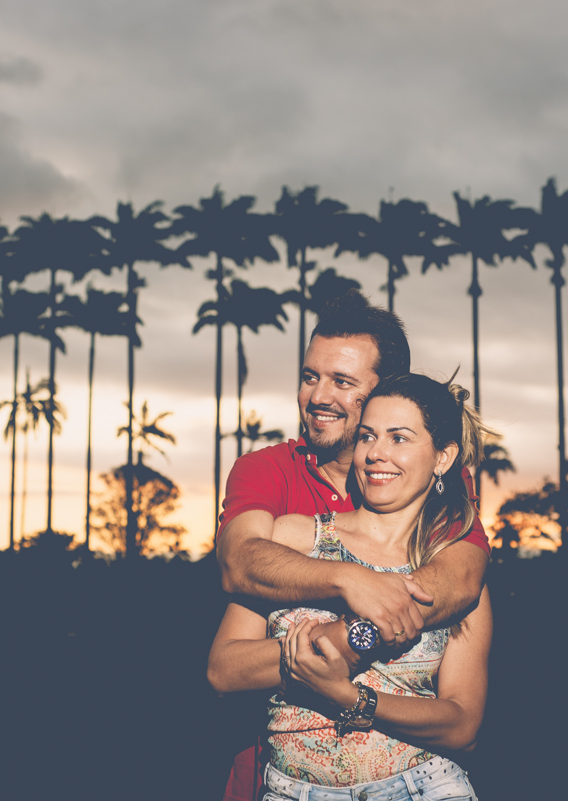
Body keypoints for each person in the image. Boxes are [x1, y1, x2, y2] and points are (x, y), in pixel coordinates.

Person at [215, 291, 490, 800]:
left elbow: (460, 580)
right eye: (310, 376)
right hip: (274, 772)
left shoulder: (440, 488)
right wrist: (350, 579)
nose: (318, 396)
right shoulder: (268, 473)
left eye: (342, 381)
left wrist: (344, 651)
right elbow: (240, 563)